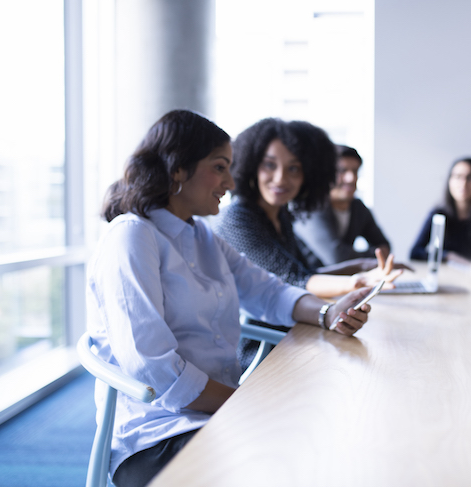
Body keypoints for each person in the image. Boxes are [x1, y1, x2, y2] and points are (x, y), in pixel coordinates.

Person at [87, 110, 373, 487]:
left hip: (217, 416)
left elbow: (268, 290)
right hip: (158, 436)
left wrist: (326, 312)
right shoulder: (132, 236)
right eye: (220, 167)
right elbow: (151, 365)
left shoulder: (203, 237)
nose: (230, 181)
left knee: (330, 444)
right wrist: (243, 402)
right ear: (177, 170)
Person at [215, 118, 402, 299]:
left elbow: (306, 273)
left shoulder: (281, 213)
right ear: (252, 166)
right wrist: (356, 281)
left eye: (294, 169)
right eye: (270, 165)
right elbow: (291, 280)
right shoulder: (237, 218)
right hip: (259, 328)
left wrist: (363, 266)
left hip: (291, 319)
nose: (281, 178)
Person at [294, 144, 391, 265]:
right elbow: (336, 258)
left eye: (355, 171)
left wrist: (350, 255)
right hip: (309, 282)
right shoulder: (312, 206)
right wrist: (372, 256)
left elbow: (385, 246)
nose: (351, 178)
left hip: (347, 281)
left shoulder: (358, 207)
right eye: (342, 171)